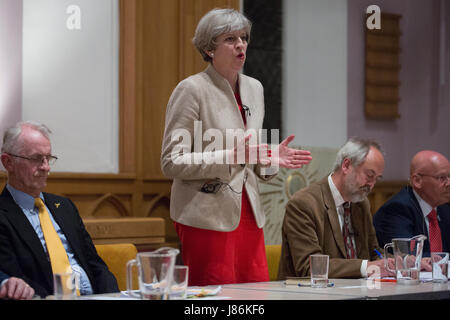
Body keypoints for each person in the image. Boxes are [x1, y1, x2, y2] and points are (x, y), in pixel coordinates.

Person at [160, 8, 312, 286]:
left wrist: (270, 157)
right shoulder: (191, 89)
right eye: (230, 39)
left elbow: (252, 157)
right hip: (206, 215)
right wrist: (230, 156)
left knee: (255, 293)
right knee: (217, 297)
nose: (240, 44)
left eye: (243, 37)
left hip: (249, 213)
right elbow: (172, 161)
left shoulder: (255, 88)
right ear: (208, 48)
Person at [0, 121, 119, 298]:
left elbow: (94, 264)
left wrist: (113, 296)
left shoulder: (65, 207)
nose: (46, 167)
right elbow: (17, 279)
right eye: (36, 158)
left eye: (48, 158)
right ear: (8, 162)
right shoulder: (3, 214)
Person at [279, 138, 401, 279]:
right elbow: (310, 267)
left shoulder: (361, 203)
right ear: (346, 165)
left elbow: (374, 253)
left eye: (377, 179)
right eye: (369, 176)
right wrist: (365, 267)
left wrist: (402, 262)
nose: (372, 185)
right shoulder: (303, 204)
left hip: (356, 291)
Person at [373, 151, 450, 256]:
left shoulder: (444, 208)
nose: (448, 183)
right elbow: (408, 256)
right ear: (417, 181)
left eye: (449, 177)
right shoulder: (397, 209)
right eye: (442, 178)